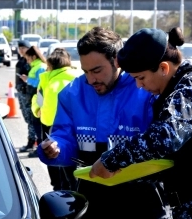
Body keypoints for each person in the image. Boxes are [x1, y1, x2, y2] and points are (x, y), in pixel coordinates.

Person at [89, 27, 192, 219]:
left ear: (163, 68)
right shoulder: (178, 89)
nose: (139, 86)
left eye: (141, 78)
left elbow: (165, 137)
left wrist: (111, 159)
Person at [38, 27, 167, 219]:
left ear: (117, 60)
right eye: (85, 71)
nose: (91, 80)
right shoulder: (72, 93)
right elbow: (64, 136)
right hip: (91, 198)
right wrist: (55, 148)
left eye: (97, 70)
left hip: (142, 201)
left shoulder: (145, 88)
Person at [31, 47, 81, 191]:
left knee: (51, 157)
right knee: (72, 160)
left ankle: (58, 190)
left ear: (50, 65)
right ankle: (73, 191)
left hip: (50, 124)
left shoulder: (46, 79)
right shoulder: (79, 76)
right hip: (74, 124)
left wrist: (37, 109)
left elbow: (38, 101)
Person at [20, 46, 47, 158]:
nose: (27, 61)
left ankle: (40, 147)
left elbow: (40, 84)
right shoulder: (35, 66)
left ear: (34, 56)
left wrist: (28, 80)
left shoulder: (40, 66)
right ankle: (39, 146)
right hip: (35, 96)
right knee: (35, 122)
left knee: (38, 122)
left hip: (39, 96)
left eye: (28, 58)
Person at [16, 40, 38, 153]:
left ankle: (31, 142)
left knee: (31, 120)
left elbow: (35, 80)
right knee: (28, 119)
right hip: (22, 92)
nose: (21, 51)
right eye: (20, 48)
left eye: (23, 48)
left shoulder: (31, 63)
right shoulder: (22, 60)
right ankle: (32, 141)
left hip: (28, 93)